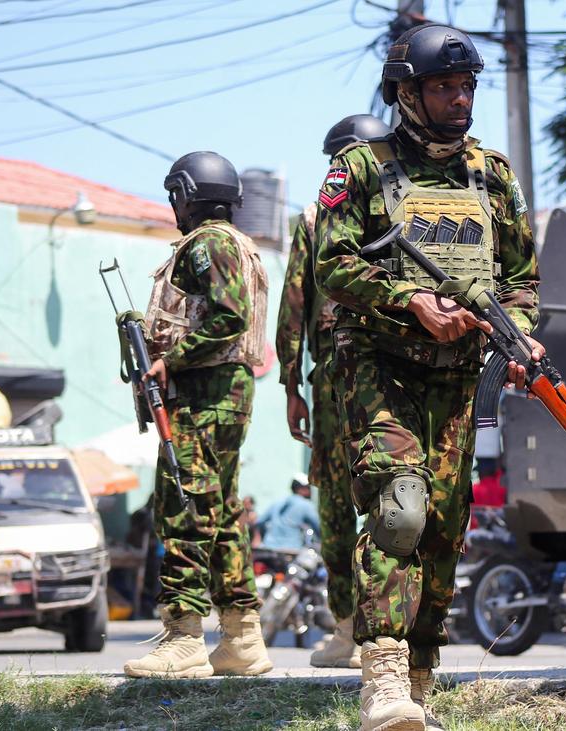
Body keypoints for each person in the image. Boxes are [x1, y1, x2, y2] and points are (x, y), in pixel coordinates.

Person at [314, 24, 540, 731]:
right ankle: (380, 677)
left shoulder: (493, 176)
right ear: (407, 92)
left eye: (467, 86)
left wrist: (518, 338)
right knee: (400, 510)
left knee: (443, 531)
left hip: (458, 378)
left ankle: (418, 681)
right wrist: (408, 300)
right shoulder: (361, 166)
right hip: (380, 370)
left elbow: (523, 279)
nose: (459, 98)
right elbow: (332, 262)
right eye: (444, 86)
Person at [122, 151, 273, 679]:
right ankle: (241, 637)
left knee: (184, 504)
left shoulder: (208, 244)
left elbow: (228, 316)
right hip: (224, 390)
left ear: (187, 195)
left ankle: (184, 634)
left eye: (175, 197)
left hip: (207, 392)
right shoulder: (239, 245)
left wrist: (169, 359)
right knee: (222, 510)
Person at [276, 113, 392, 669]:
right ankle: (376, 634)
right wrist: (290, 382)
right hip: (386, 378)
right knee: (383, 498)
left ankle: (354, 632)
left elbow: (294, 306)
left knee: (348, 507)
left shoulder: (318, 215)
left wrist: (289, 384)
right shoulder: (406, 210)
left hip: (339, 378)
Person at [256, 475, 323, 551]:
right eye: (309, 488)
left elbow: (259, 522)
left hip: (269, 548)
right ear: (302, 488)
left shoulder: (277, 503)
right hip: (291, 551)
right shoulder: (306, 505)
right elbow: (319, 528)